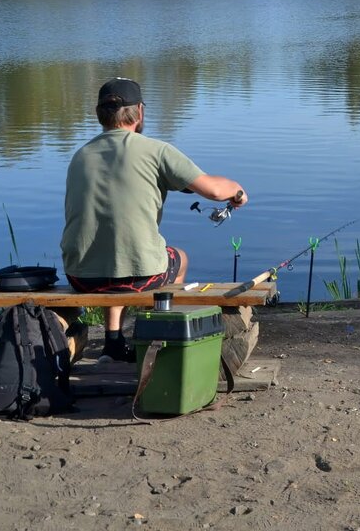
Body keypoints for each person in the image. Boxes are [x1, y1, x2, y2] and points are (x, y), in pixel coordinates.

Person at [60, 77, 248, 362]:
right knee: (179, 258)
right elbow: (213, 190)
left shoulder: (80, 155)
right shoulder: (156, 151)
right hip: (141, 276)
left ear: (100, 114)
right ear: (140, 112)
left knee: (116, 251)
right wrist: (237, 191)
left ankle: (113, 344)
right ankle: (158, 341)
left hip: (81, 276)